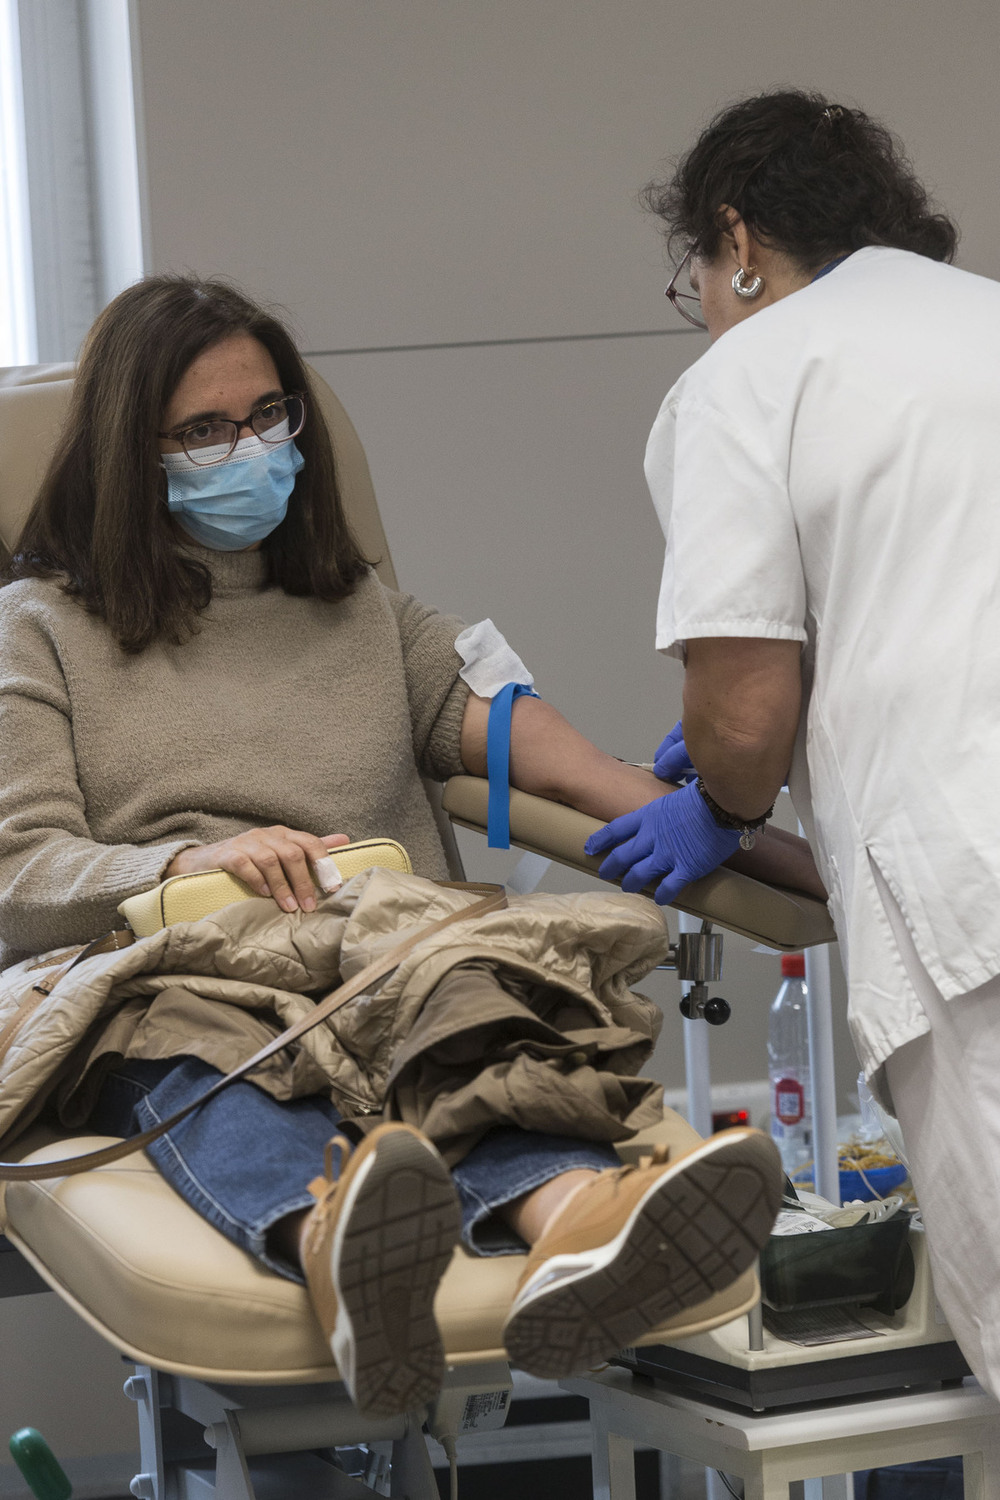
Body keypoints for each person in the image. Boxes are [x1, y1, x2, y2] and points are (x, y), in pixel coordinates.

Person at [0, 274, 803, 1419]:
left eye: (272, 416)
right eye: (207, 431)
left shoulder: (366, 613)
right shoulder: (36, 630)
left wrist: (714, 809)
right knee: (214, 1054)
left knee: (471, 1005)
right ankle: (331, 1237)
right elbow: (19, 875)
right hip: (182, 963)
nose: (252, 450)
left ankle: (575, 1220)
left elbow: (548, 755)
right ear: (134, 451)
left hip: (385, 950)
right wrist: (182, 868)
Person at [587, 89, 1000, 1396]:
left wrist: (719, 793)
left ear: (736, 236)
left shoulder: (745, 380)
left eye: (695, 277)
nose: (704, 303)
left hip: (972, 885)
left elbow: (748, 713)